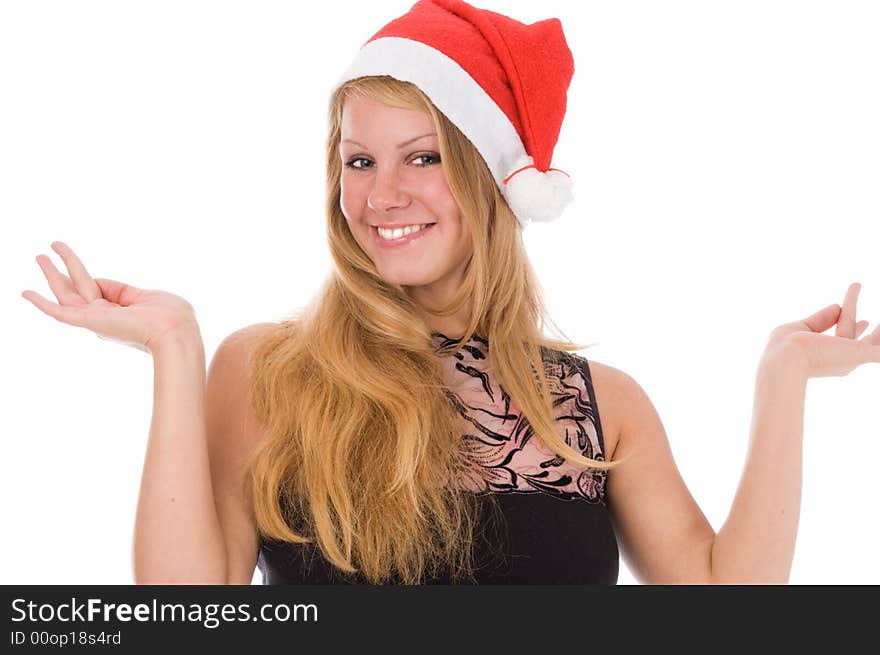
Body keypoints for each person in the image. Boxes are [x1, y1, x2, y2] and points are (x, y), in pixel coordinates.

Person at [21, 0, 879, 585]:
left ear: (493, 181)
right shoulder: (270, 370)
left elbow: (727, 601)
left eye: (422, 156)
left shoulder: (600, 406)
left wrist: (785, 375)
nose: (381, 195)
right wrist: (177, 348)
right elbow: (184, 608)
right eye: (360, 160)